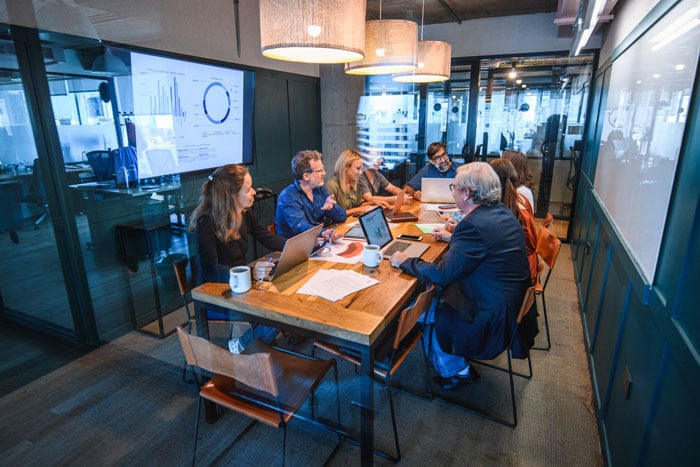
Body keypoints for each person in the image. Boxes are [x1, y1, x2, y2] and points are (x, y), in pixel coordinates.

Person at [390, 162, 537, 391]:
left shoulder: (473, 226)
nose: (452, 190)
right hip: (508, 304)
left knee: (416, 306)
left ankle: (456, 372)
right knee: (425, 294)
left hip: (488, 313)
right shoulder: (501, 213)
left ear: (466, 193)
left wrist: (404, 261)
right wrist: (455, 239)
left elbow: (442, 274)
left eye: (453, 186)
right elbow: (484, 247)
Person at [189, 164, 285, 354]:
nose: (254, 193)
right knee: (281, 311)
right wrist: (249, 273)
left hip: (240, 283)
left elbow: (269, 239)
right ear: (231, 195)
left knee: (286, 301)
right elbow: (210, 270)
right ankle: (243, 344)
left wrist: (307, 245)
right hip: (216, 290)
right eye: (248, 189)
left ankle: (257, 343)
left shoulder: (245, 213)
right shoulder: (206, 222)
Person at [275, 150, 347, 239]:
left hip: (316, 242)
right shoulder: (288, 196)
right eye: (320, 170)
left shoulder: (319, 189)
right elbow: (301, 227)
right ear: (306, 176)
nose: (324, 173)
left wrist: (331, 209)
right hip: (294, 248)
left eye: (323, 169)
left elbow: (342, 216)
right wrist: (323, 232)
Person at [490, 158, 539, 285]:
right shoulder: (519, 198)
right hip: (524, 265)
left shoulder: (511, 211)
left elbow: (491, 244)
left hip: (517, 274)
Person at [326, 149, 383, 216]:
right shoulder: (332, 185)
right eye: (358, 168)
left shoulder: (355, 182)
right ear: (346, 167)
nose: (361, 172)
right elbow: (334, 214)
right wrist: (358, 210)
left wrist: (373, 203)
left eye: (361, 169)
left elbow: (359, 204)